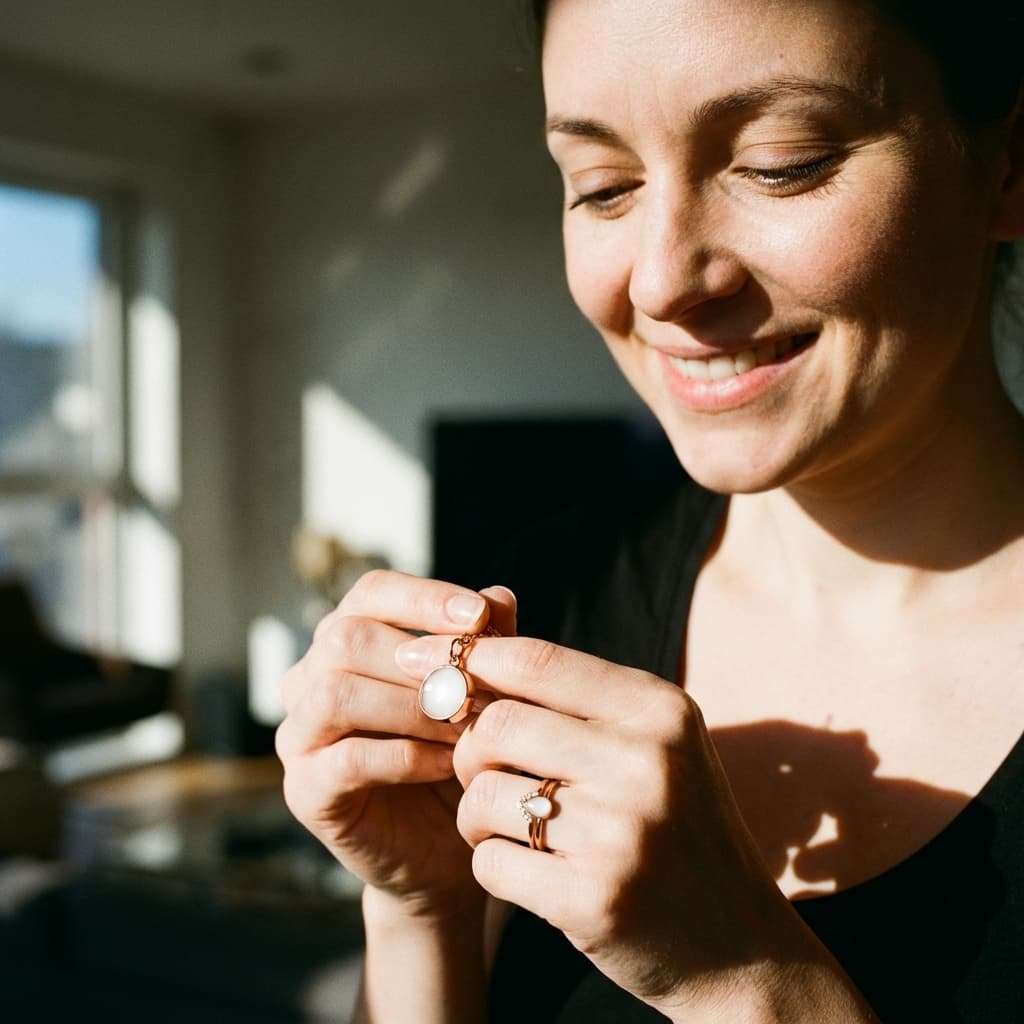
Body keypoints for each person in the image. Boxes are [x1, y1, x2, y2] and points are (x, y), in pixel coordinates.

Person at [274, 0, 1024, 1019]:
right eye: (603, 186)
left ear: (1007, 165)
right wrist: (421, 911)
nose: (664, 280)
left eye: (780, 161)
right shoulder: (546, 599)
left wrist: (751, 985)